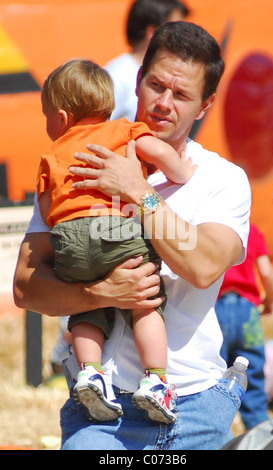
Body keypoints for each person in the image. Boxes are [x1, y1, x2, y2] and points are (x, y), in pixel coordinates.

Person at [14, 22, 251, 450]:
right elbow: (26, 287)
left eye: (181, 95)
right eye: (156, 85)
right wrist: (100, 292)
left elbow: (202, 267)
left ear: (205, 105)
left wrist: (138, 191)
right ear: (138, 80)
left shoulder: (223, 179)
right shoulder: (81, 161)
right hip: (100, 413)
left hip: (193, 404)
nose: (163, 103)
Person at [37, 58, 194, 424]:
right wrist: (181, 171)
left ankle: (90, 372)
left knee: (86, 310)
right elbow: (157, 152)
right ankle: (156, 380)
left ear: (60, 117)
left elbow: (46, 209)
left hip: (68, 239)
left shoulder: (51, 152)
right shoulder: (123, 129)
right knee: (143, 303)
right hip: (113, 229)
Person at [215, 223, 273, 430]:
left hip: (216, 309)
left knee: (214, 373)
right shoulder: (252, 229)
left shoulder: (209, 224)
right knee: (253, 375)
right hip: (248, 312)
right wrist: (269, 301)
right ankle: (260, 433)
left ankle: (215, 427)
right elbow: (266, 273)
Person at [105, 0, 190, 121]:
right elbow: (93, 130)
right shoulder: (118, 75)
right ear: (153, 32)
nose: (185, 39)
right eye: (177, 31)